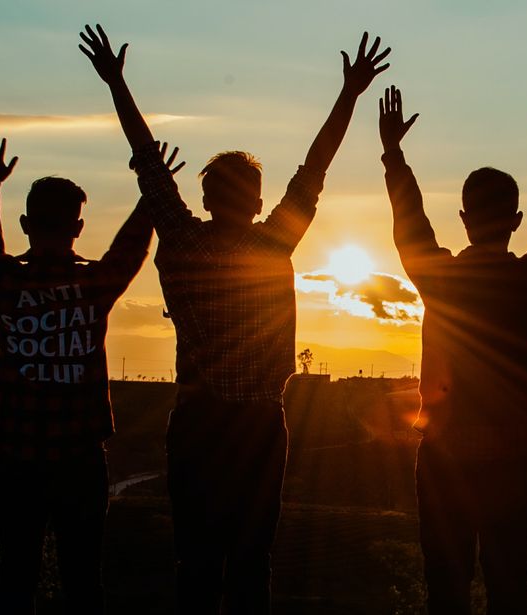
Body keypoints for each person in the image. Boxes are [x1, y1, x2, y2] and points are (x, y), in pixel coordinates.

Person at [80, 24, 391, 612]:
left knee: (195, 561)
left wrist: (118, 85)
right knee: (252, 562)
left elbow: (149, 166)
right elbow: (314, 170)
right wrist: (348, 94)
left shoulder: (182, 242)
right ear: (254, 200)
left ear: (204, 199)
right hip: (256, 425)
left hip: (197, 422)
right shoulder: (272, 245)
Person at [377, 84, 527, 615]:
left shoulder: (440, 279)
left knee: (446, 587)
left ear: (464, 218)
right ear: (515, 220)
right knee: (509, 586)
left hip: (444, 456)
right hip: (513, 457)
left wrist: (394, 155)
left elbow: (410, 224)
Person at [0, 129, 161, 614]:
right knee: (82, 580)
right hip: (80, 458)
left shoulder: (6, 280)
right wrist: (150, 191)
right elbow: (131, 246)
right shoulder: (94, 283)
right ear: (77, 228)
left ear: (27, 224)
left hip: (17, 455)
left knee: (16, 576)